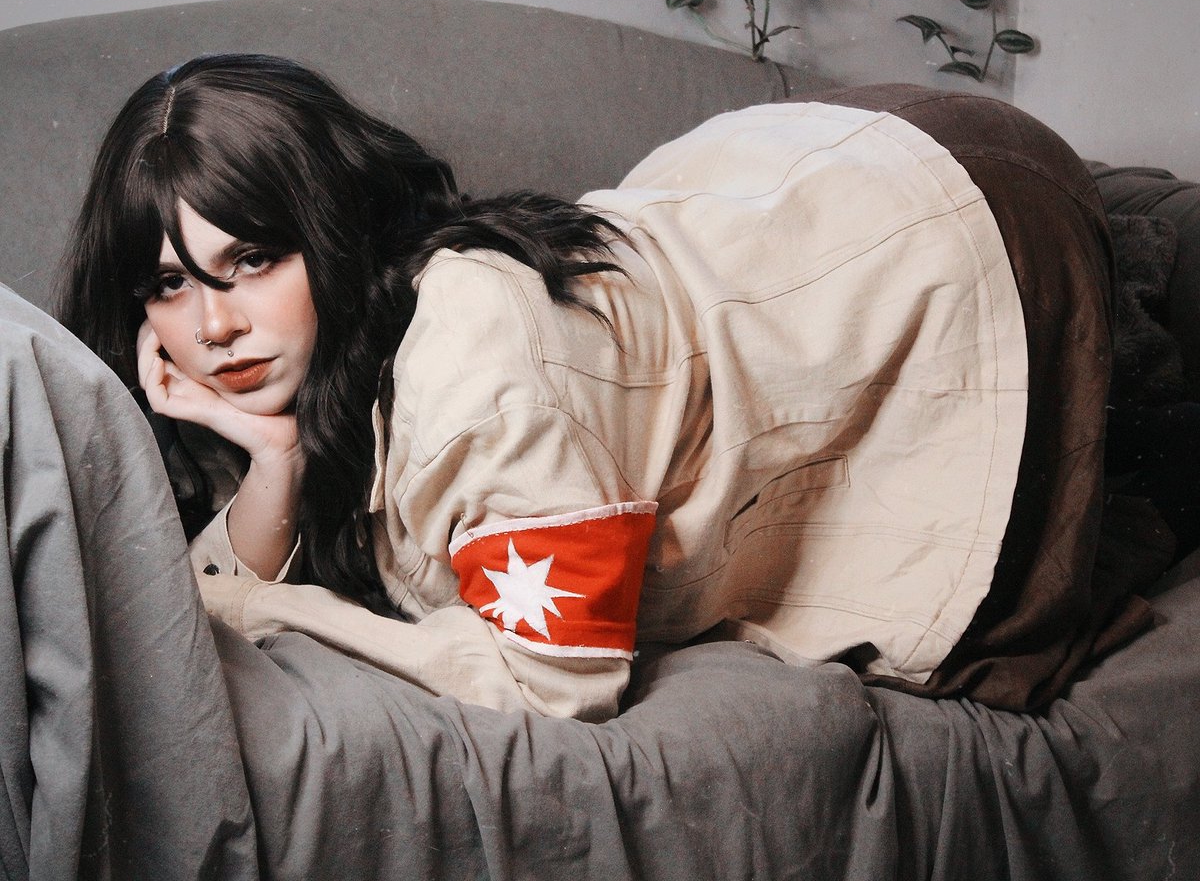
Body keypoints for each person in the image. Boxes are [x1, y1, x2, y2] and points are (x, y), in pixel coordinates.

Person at [56, 54, 1163, 721]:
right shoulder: (302, 375)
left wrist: (273, 607)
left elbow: (558, 682)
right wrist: (277, 461)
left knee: (1114, 449)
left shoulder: (475, 368)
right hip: (782, 184)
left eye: (254, 258)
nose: (214, 326)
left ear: (333, 230)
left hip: (935, 217)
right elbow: (222, 579)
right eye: (170, 283)